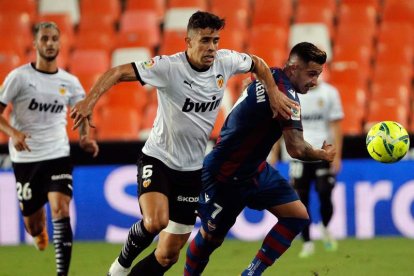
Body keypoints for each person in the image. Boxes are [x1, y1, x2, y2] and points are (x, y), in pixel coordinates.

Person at [70, 10, 297, 276]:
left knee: (168, 255)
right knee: (155, 222)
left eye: (215, 40)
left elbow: (257, 63)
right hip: (158, 159)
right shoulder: (168, 68)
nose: (211, 47)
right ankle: (119, 267)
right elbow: (118, 72)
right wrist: (89, 101)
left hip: (190, 171)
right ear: (188, 42)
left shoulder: (226, 61)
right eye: (204, 40)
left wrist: (273, 93)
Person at [184, 42, 336, 276]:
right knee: (210, 239)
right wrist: (322, 155)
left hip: (255, 169)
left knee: (297, 216)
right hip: (224, 175)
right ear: (294, 68)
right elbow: (296, 149)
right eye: (312, 74)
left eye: (318, 75)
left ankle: (251, 273)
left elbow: (257, 71)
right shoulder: (287, 98)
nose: (315, 81)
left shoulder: (272, 75)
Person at [0, 22, 99, 276]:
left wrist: (86, 137)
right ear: (35, 44)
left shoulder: (70, 82)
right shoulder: (19, 78)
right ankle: (39, 231)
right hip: (26, 157)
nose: (50, 43)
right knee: (33, 226)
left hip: (58, 153)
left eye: (55, 38)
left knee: (60, 208)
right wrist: (13, 133)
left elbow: (83, 114)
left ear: (60, 42)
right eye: (45, 39)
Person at [286, 77, 344, 258]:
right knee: (301, 200)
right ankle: (308, 242)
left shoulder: (330, 93)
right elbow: (284, 125)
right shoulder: (292, 94)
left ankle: (325, 227)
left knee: (325, 192)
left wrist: (338, 155)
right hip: (299, 154)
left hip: (323, 152)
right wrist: (274, 153)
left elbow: (336, 126)